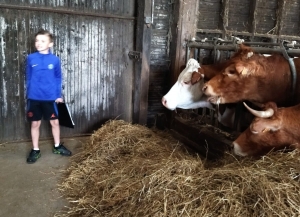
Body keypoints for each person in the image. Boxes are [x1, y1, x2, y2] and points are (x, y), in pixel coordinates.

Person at [25, 29, 71, 164]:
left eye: (42, 41)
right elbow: (28, 76)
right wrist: (30, 93)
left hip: (50, 97)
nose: (38, 43)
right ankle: (35, 149)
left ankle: (57, 146)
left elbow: (58, 78)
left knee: (55, 122)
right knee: (35, 124)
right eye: (37, 41)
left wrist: (58, 95)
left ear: (50, 44)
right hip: (34, 98)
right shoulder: (31, 58)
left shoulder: (55, 60)